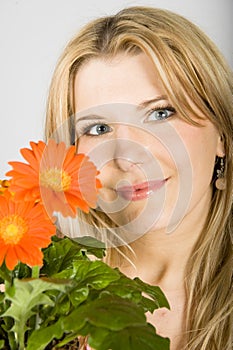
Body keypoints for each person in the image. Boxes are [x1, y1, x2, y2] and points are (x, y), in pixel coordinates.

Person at [45, 6, 233, 350]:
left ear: (221, 133)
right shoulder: (35, 291)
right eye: (99, 128)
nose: (128, 154)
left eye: (160, 113)